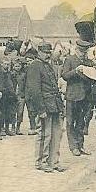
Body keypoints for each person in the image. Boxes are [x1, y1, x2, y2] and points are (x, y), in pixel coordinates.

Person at [26, 43, 66, 172]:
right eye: (45, 52)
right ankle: (41, 162)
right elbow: (34, 90)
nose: (48, 55)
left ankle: (53, 161)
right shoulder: (34, 66)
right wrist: (40, 109)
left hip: (54, 104)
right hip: (45, 105)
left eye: (49, 52)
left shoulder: (47, 65)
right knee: (44, 134)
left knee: (56, 134)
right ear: (39, 52)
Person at [61, 38, 96, 156]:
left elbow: (93, 77)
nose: (83, 54)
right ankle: (73, 147)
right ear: (76, 50)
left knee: (81, 122)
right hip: (73, 96)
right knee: (71, 122)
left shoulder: (88, 61)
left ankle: (80, 145)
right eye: (81, 52)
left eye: (85, 52)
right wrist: (76, 71)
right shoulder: (69, 60)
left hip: (85, 96)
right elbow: (65, 76)